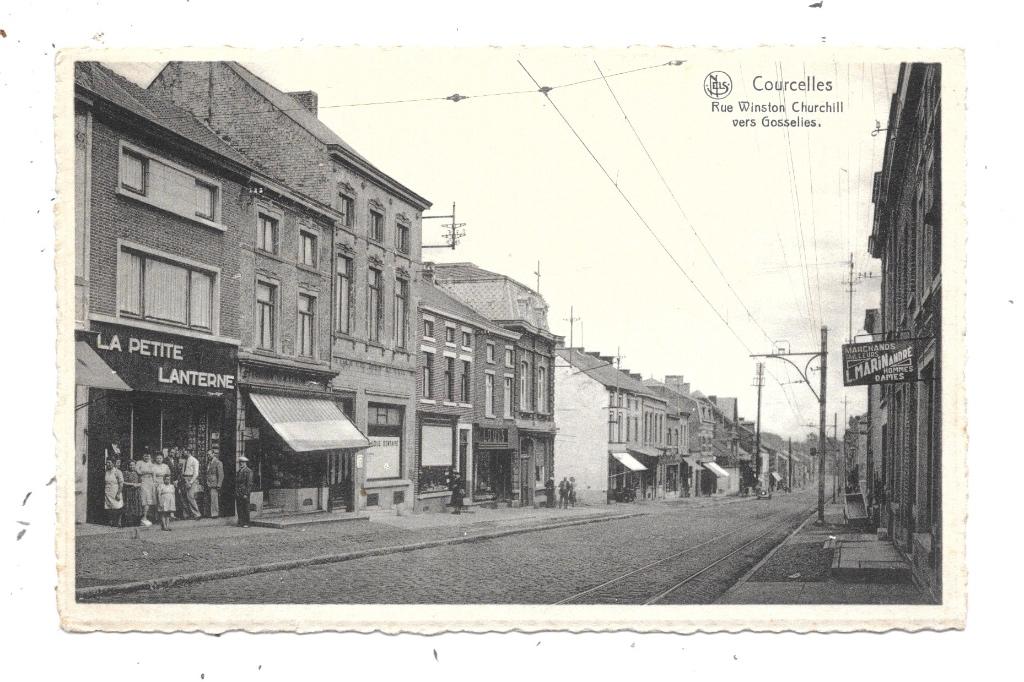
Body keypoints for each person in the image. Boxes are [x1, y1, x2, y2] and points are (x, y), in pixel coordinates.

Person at [136, 452, 156, 526]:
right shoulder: (139, 462)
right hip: (143, 481)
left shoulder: (152, 464)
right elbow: (138, 471)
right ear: (143, 456)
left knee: (149, 500)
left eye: (148, 456)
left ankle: (145, 517)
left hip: (150, 482)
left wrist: (154, 483)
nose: (146, 458)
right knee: (143, 499)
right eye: (145, 456)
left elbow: (154, 474)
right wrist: (147, 472)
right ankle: (141, 518)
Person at [122, 459, 143, 526]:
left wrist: (137, 485)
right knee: (129, 506)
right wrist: (132, 484)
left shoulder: (137, 473)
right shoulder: (125, 473)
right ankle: (128, 522)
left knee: (136, 506)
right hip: (128, 491)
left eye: (133, 465)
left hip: (136, 492)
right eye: (130, 465)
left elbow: (141, 482)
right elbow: (123, 482)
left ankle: (136, 521)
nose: (132, 466)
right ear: (128, 466)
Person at [181, 449, 201, 519]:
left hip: (191, 478)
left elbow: (196, 473)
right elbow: (183, 471)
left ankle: (197, 514)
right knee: (184, 497)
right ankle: (187, 515)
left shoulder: (194, 461)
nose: (183, 452)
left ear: (189, 452)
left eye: (185, 451)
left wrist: (190, 482)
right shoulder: (185, 461)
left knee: (190, 497)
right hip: (184, 478)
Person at [103, 459, 124, 527]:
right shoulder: (106, 472)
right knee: (109, 507)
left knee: (118, 506)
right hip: (108, 491)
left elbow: (121, 484)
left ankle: (119, 522)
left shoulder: (117, 472)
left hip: (115, 491)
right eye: (107, 463)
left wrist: (118, 493)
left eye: (109, 463)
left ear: (113, 463)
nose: (108, 464)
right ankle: (111, 522)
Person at [204, 451, 224, 518]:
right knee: (210, 499)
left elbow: (221, 475)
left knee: (214, 499)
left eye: (209, 454)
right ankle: (209, 513)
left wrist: (219, 484)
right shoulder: (209, 463)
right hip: (208, 483)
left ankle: (215, 514)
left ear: (213, 454)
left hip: (214, 483)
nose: (208, 456)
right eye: (207, 455)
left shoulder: (218, 462)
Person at [235, 456, 253, 528]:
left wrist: (246, 493)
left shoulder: (248, 471)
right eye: (240, 462)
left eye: (243, 462)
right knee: (239, 507)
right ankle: (241, 522)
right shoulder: (239, 471)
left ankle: (247, 523)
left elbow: (249, 483)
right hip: (239, 492)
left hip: (244, 491)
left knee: (246, 507)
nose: (241, 463)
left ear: (245, 463)